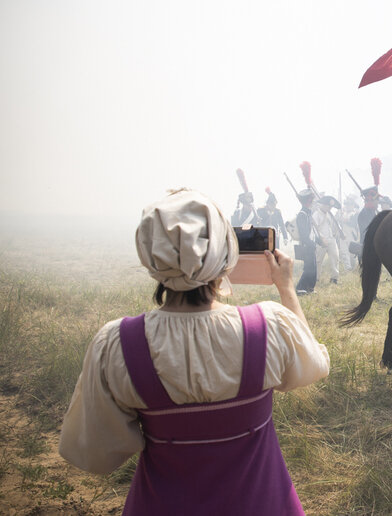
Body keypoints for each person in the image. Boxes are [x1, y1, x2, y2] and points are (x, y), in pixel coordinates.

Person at [58, 189, 329, 515]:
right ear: (224, 251)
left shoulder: (116, 343)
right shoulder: (268, 326)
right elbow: (314, 364)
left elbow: (95, 454)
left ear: (149, 253)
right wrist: (286, 287)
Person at [313, 195, 343, 284]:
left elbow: (334, 226)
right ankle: (316, 278)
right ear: (323, 205)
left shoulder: (330, 214)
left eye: (331, 207)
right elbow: (315, 228)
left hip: (331, 239)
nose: (330, 208)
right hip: (321, 241)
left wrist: (338, 233)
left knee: (335, 257)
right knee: (318, 260)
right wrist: (321, 238)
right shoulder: (316, 214)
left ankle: (334, 278)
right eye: (328, 206)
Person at [294, 188, 318, 295]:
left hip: (310, 244)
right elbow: (304, 234)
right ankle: (300, 287)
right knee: (309, 268)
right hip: (307, 245)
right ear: (308, 201)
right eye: (311, 200)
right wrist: (310, 243)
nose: (312, 201)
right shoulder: (302, 214)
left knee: (313, 267)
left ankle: (310, 288)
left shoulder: (307, 213)